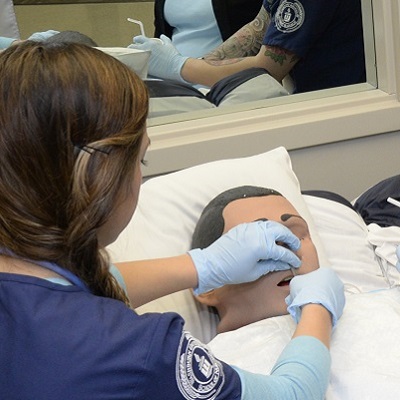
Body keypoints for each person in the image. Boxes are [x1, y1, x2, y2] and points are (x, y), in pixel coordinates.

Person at [0, 41, 344, 399]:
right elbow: (291, 395)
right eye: (140, 161)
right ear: (99, 176)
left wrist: (202, 265)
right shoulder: (138, 353)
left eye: (292, 235)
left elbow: (67, 292)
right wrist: (318, 307)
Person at [130, 0, 366, 93]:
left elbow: (267, 69)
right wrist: (199, 66)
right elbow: (258, 27)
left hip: (342, 101)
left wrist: (179, 67)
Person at [191, 186, 321, 334]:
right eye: (260, 240)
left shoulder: (352, 307)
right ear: (207, 289)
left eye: (296, 234)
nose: (284, 247)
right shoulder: (208, 356)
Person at [154, 0, 263, 58]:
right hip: (170, 80)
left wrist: (185, 67)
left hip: (226, 82)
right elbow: (160, 34)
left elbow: (262, 32)